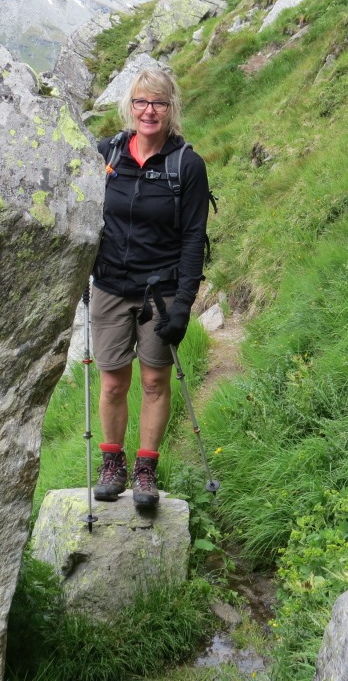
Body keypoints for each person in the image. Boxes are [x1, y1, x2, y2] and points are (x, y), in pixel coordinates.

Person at [90, 68, 210, 511]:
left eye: (158, 102)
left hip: (160, 291)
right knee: (112, 382)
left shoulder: (186, 166)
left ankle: (145, 469)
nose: (149, 111)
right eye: (141, 101)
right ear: (129, 106)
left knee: (155, 380)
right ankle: (112, 465)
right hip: (109, 286)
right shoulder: (107, 153)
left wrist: (183, 305)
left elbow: (194, 239)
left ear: (171, 107)